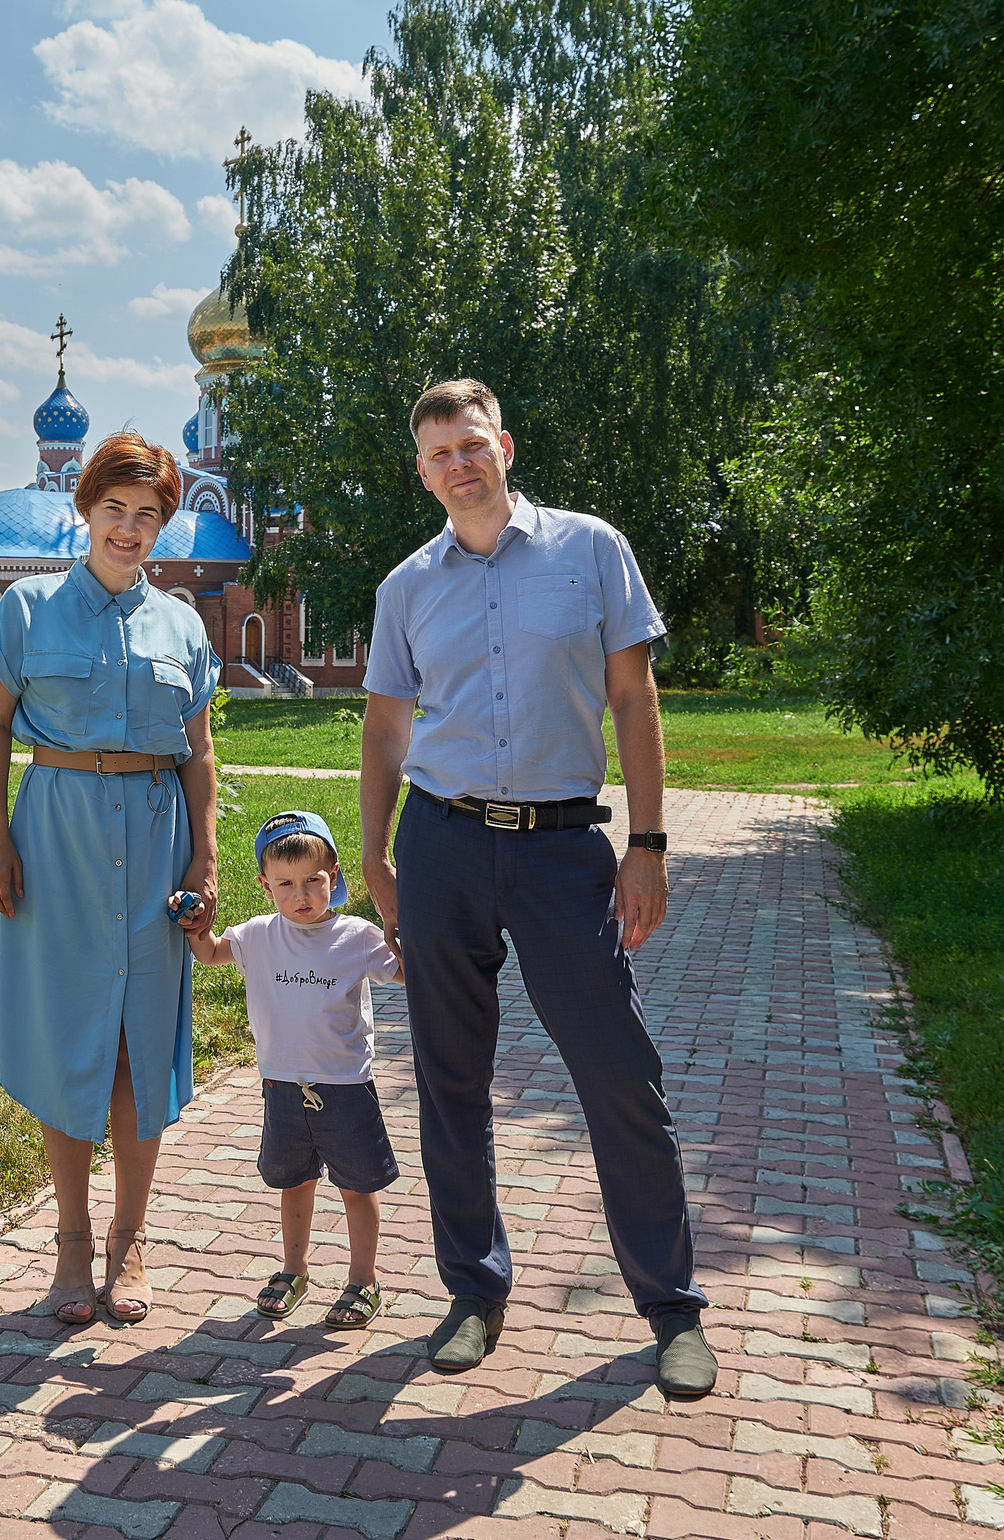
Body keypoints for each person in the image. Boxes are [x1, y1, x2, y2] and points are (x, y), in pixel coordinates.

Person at [356, 378, 715, 1395]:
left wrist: (646, 841)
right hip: (440, 845)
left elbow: (632, 694)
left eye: (470, 445)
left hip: (564, 849)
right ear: (421, 472)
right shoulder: (406, 587)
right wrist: (376, 856)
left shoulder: (589, 549)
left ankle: (671, 1306)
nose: (458, 465)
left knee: (617, 1071)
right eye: (437, 454)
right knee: (449, 1077)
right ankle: (473, 1289)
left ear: (502, 445)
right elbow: (385, 730)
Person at [0, 432, 222, 1326]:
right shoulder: (29, 610)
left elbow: (198, 753)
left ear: (162, 524)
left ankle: (132, 1239)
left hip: (156, 844)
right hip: (57, 842)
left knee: (139, 1043)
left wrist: (206, 856)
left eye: (147, 514)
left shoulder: (182, 624)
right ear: (87, 510)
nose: (129, 528)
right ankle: (71, 1242)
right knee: (69, 1034)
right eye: (114, 509)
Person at [180, 810, 401, 1330]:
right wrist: (196, 924)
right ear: (265, 884)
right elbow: (211, 954)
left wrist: (405, 925)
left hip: (346, 1085)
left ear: (334, 876)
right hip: (281, 1085)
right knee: (294, 1182)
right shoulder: (258, 935)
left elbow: (407, 972)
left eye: (313, 881)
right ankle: (294, 1269)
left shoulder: (357, 935)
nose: (301, 894)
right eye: (285, 884)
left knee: (357, 1186)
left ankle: (363, 1279)